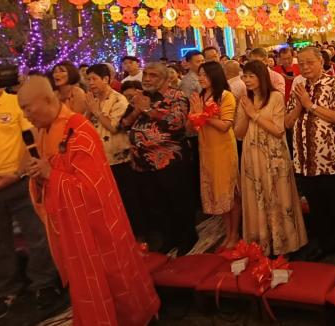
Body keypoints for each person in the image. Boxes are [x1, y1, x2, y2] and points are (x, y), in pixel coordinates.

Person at [18, 76, 160, 326]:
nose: (25, 114)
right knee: (84, 285)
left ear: (48, 99)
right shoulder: (42, 131)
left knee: (111, 280)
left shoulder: (79, 131)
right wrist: (39, 176)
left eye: (27, 107)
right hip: (71, 227)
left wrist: (51, 173)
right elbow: (49, 180)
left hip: (96, 228)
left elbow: (92, 189)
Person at [0, 84, 63, 321]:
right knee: (0, 241)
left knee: (36, 234)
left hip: (18, 181)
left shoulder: (15, 102)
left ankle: (43, 283)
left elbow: (31, 138)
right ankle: (6, 290)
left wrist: (17, 172)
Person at [285, 47, 335, 263]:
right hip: (306, 162)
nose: (304, 67)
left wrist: (310, 105)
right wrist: (299, 104)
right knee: (317, 211)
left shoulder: (334, 84)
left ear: (321, 62)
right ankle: (326, 246)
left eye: (309, 62)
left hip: (333, 161)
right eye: (301, 63)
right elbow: (287, 123)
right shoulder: (298, 86)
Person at [122, 62, 197, 254]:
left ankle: (187, 238)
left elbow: (176, 123)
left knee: (178, 201)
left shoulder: (176, 96)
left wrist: (148, 111)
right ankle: (169, 237)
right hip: (143, 163)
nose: (146, 78)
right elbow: (124, 123)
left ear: (165, 78)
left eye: (153, 75)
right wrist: (138, 110)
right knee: (157, 204)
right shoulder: (141, 97)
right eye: (146, 74)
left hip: (169, 159)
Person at [234, 61, 307, 255]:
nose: (247, 80)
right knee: (256, 196)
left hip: (273, 153)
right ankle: (262, 245)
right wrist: (243, 113)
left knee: (278, 197)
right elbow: (238, 133)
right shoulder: (245, 98)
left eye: (251, 76)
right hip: (251, 153)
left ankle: (285, 245)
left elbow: (278, 129)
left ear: (261, 77)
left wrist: (254, 114)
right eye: (245, 76)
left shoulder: (275, 97)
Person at [188, 61, 240, 249]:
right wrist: (194, 116)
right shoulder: (201, 96)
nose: (200, 78)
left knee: (229, 193)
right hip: (207, 149)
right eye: (199, 75)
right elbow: (193, 126)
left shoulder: (225, 96)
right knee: (218, 193)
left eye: (204, 75)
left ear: (214, 76)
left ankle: (234, 234)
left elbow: (225, 125)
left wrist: (203, 116)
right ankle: (227, 232)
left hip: (223, 149)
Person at [84, 64, 139, 232]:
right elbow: (85, 123)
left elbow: (114, 127)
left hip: (118, 157)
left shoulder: (118, 99)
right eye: (88, 80)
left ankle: (138, 234)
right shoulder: (93, 100)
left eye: (94, 79)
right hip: (100, 158)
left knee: (127, 198)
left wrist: (96, 111)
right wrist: (89, 110)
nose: (90, 83)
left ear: (106, 79)